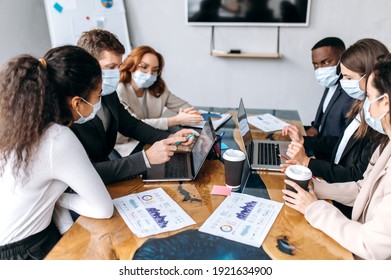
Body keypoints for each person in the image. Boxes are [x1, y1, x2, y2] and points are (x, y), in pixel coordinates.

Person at [0, 45, 114, 260]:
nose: (99, 103)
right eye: (98, 96)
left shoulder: (18, 125)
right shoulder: (57, 138)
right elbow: (103, 209)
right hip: (25, 250)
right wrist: (62, 200)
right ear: (77, 103)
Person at [282, 54, 391, 260]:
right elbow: (362, 188)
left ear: (384, 102)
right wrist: (315, 188)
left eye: (368, 96)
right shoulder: (386, 144)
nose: (363, 103)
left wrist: (313, 207)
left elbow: (370, 245)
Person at [72, 29, 197, 185]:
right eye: (110, 67)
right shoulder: (73, 108)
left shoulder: (108, 92)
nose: (116, 73)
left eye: (118, 66)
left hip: (106, 172)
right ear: (88, 65)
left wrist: (170, 137)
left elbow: (130, 124)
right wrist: (146, 159)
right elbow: (86, 172)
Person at [115, 45, 204, 156]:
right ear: (130, 65)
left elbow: (184, 105)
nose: (149, 74)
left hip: (154, 138)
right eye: (144, 67)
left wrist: (189, 114)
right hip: (127, 146)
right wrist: (176, 120)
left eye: (155, 70)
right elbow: (134, 125)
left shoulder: (158, 88)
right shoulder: (119, 90)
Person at [305, 37, 355, 161]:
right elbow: (324, 119)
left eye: (326, 62)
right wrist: (315, 128)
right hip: (317, 148)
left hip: (329, 160)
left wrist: (304, 140)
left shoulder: (351, 93)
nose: (320, 69)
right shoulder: (331, 83)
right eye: (315, 65)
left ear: (342, 58)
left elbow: (342, 142)